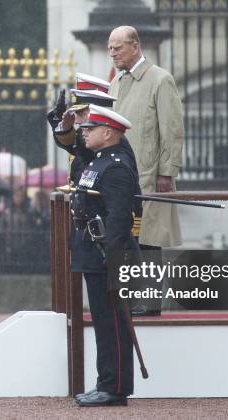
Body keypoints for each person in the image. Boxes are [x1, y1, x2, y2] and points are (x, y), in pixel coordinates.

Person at [108, 25, 185, 316]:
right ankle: (131, 296)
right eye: (110, 48)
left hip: (149, 175)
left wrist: (167, 171)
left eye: (118, 47)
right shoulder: (115, 82)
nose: (112, 52)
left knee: (149, 240)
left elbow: (172, 130)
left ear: (136, 46)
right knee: (126, 238)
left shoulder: (160, 79)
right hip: (122, 176)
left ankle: (150, 300)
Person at [70, 105, 138, 407]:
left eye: (91, 128)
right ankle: (105, 382)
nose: (85, 131)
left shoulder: (117, 167)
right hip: (93, 252)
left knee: (113, 322)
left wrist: (112, 258)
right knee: (102, 322)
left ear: (108, 133)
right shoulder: (98, 162)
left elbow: (121, 218)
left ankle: (115, 387)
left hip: (108, 256)